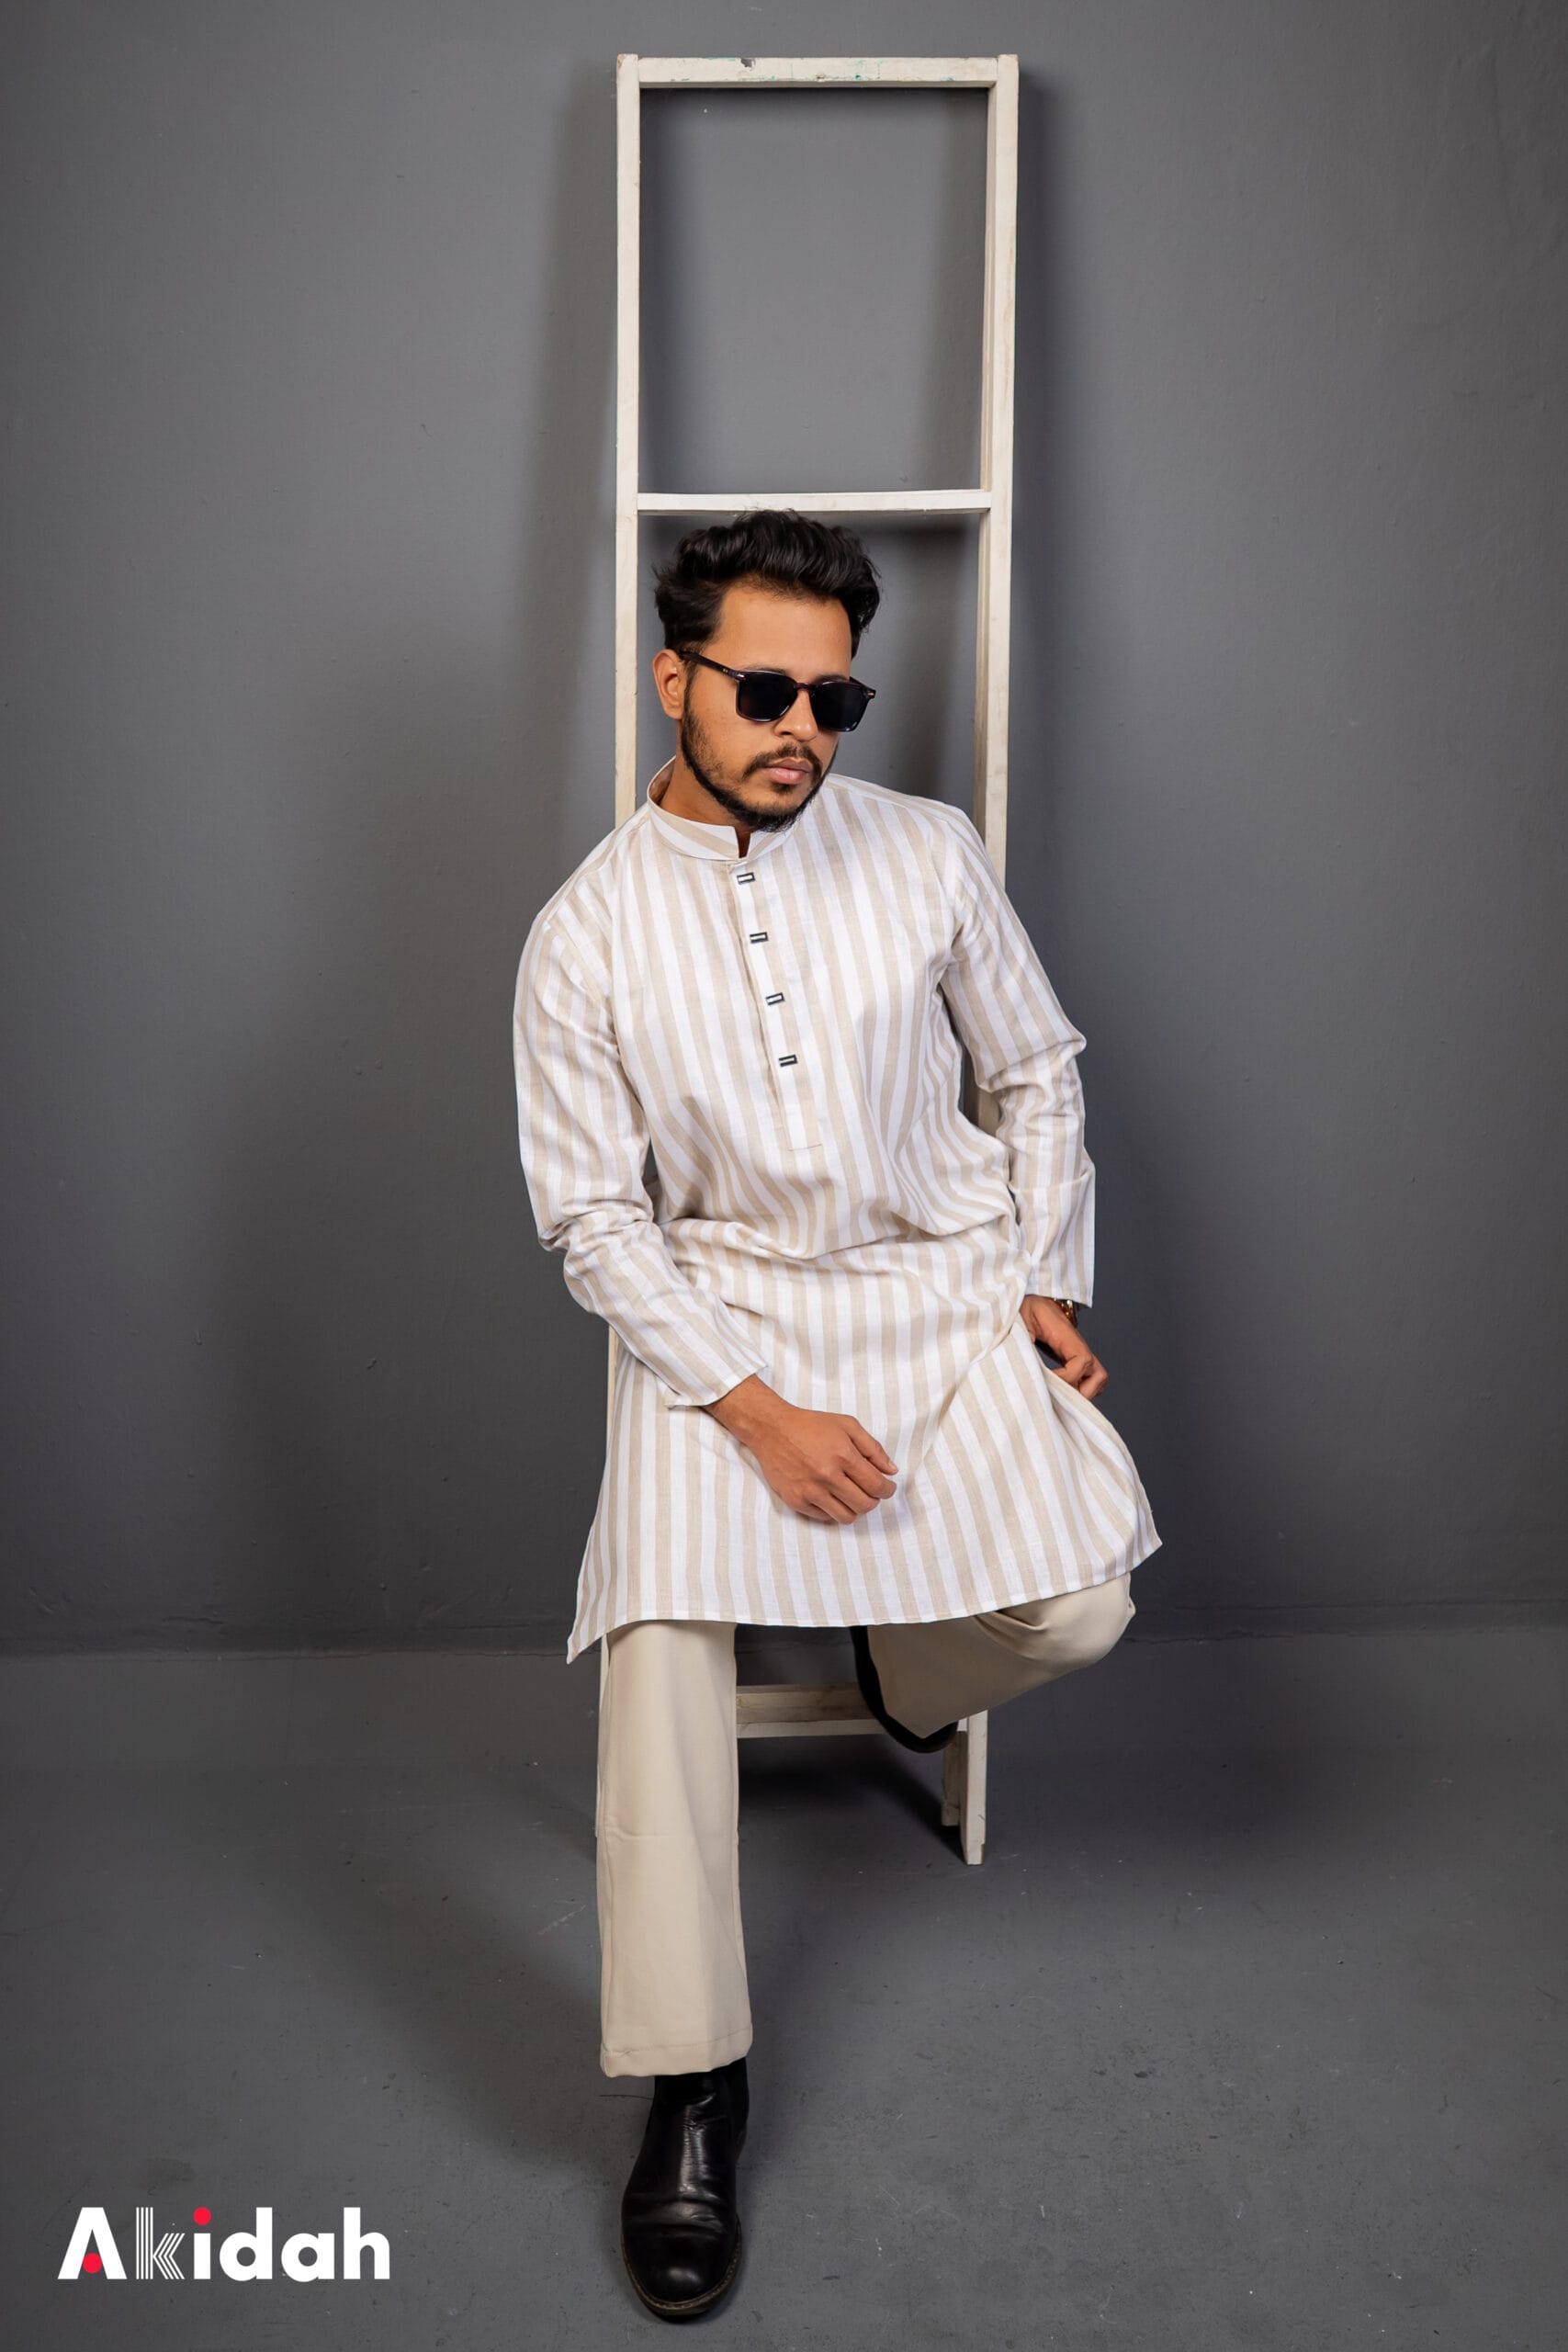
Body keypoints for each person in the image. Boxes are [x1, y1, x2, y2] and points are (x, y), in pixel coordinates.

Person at [512, 510, 1161, 2321]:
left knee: (1081, 1603)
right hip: (717, 1312)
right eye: (765, 690)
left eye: (835, 696)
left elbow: (1034, 1067)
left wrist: (1044, 1273)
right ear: (675, 678)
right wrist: (751, 1406)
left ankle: (906, 1669)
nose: (804, 726)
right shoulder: (583, 932)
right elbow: (592, 1219)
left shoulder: (928, 849)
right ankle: (690, 2080)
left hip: (941, 1285)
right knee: (658, 1642)